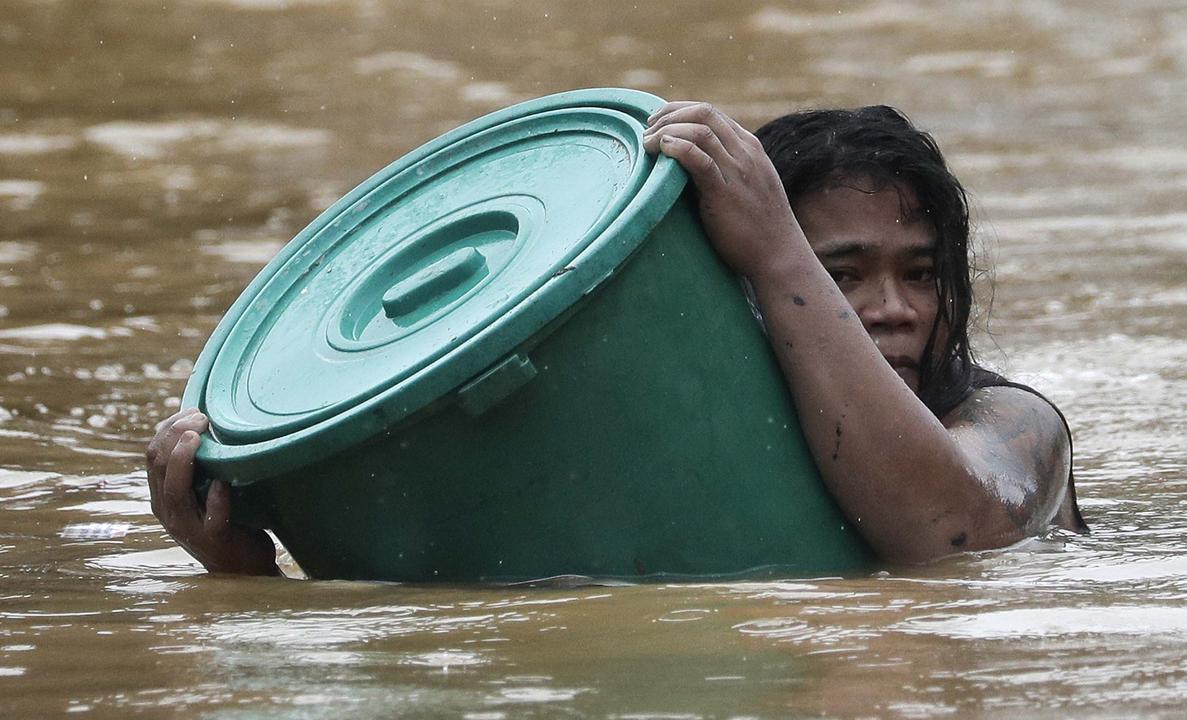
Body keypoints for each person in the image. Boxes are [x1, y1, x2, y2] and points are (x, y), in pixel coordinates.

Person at [145, 100, 1085, 575]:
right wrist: (248, 574)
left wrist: (780, 252)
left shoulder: (1013, 423)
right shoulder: (691, 441)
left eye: (921, 273)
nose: (895, 307)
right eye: (841, 274)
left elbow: (957, 538)